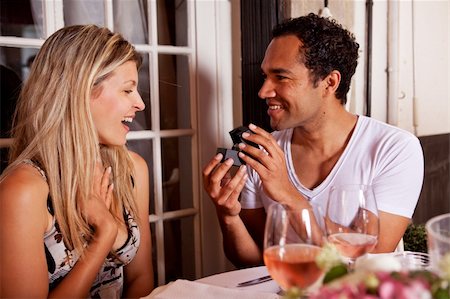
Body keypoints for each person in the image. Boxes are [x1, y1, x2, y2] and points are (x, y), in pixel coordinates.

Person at [202, 13, 424, 267]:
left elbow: (370, 260)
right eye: (265, 76)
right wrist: (228, 216)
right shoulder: (263, 152)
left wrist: (287, 194)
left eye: (281, 77)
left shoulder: (394, 149)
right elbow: (256, 262)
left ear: (329, 82)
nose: (263, 91)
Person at [0, 25, 154, 298]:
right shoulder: (23, 191)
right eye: (127, 90)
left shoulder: (131, 170)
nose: (140, 103)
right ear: (80, 92)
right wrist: (104, 235)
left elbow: (141, 278)